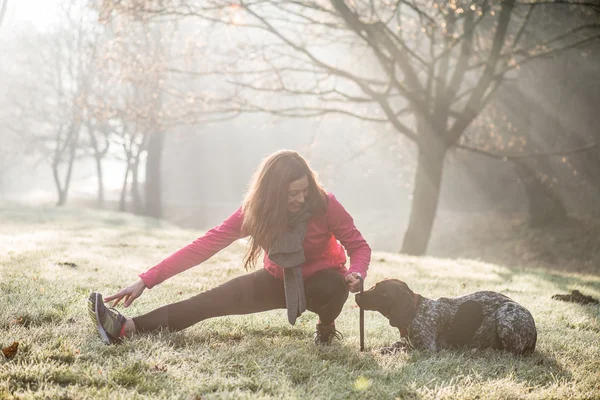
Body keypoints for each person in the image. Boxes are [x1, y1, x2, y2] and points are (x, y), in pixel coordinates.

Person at [88, 149, 371, 346]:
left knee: (334, 283)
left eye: (304, 190)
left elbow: (358, 246)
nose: (301, 199)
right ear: (272, 194)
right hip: (276, 280)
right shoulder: (256, 213)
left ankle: (325, 327)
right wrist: (146, 279)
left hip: (323, 283)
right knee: (206, 302)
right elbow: (204, 246)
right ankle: (126, 327)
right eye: (292, 193)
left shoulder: (325, 204)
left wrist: (356, 273)